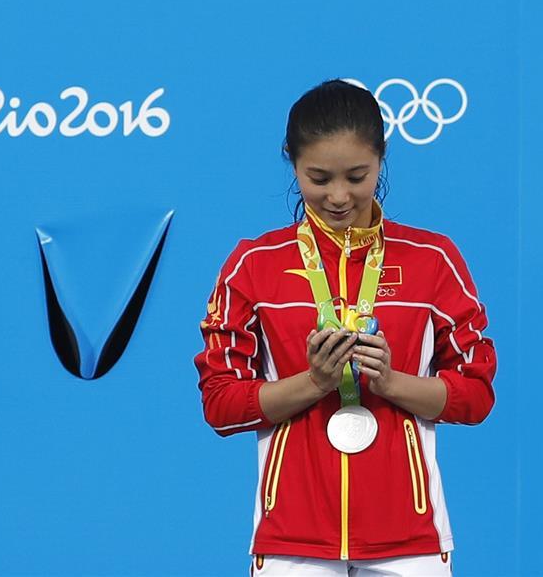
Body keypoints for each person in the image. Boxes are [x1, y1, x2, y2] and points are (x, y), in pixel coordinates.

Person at [193, 79, 497, 576]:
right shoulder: (253, 264)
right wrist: (315, 382)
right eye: (318, 177)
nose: (339, 196)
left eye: (358, 175)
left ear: (382, 158)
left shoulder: (433, 260)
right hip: (292, 538)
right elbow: (221, 406)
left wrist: (391, 382)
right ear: (290, 161)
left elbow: (476, 396)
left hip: (410, 540)